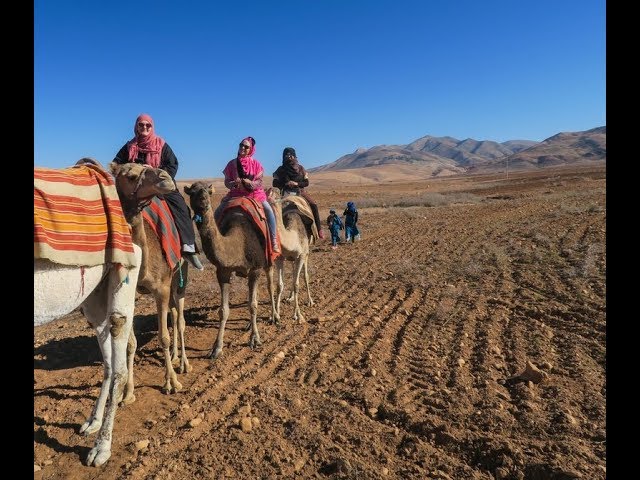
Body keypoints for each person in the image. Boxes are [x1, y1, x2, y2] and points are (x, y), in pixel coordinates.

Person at [113, 113, 204, 270]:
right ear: (136, 127)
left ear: (152, 127)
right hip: (135, 188)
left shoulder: (161, 145)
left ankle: (188, 247)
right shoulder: (129, 147)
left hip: (158, 186)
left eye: (148, 125)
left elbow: (173, 164)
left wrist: (155, 171)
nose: (144, 128)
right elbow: (116, 165)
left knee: (182, 208)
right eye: (141, 125)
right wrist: (132, 169)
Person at [217, 136, 280, 253]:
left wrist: (250, 183)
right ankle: (215, 239)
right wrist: (232, 183)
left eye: (246, 147)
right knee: (219, 210)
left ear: (251, 149)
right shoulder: (232, 164)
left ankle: (273, 239)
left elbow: (259, 181)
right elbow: (226, 181)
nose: (242, 148)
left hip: (255, 194)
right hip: (236, 194)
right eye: (241, 145)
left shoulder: (256, 164)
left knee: (269, 210)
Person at [272, 147, 325, 239]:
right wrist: (286, 183)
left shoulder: (301, 168)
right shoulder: (280, 170)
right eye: (287, 155)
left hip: (300, 192)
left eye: (291, 155)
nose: (289, 157)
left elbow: (306, 183)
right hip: (285, 192)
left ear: (295, 156)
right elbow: (274, 183)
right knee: (273, 209)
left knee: (313, 204)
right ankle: (272, 233)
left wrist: (296, 183)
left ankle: (318, 229)